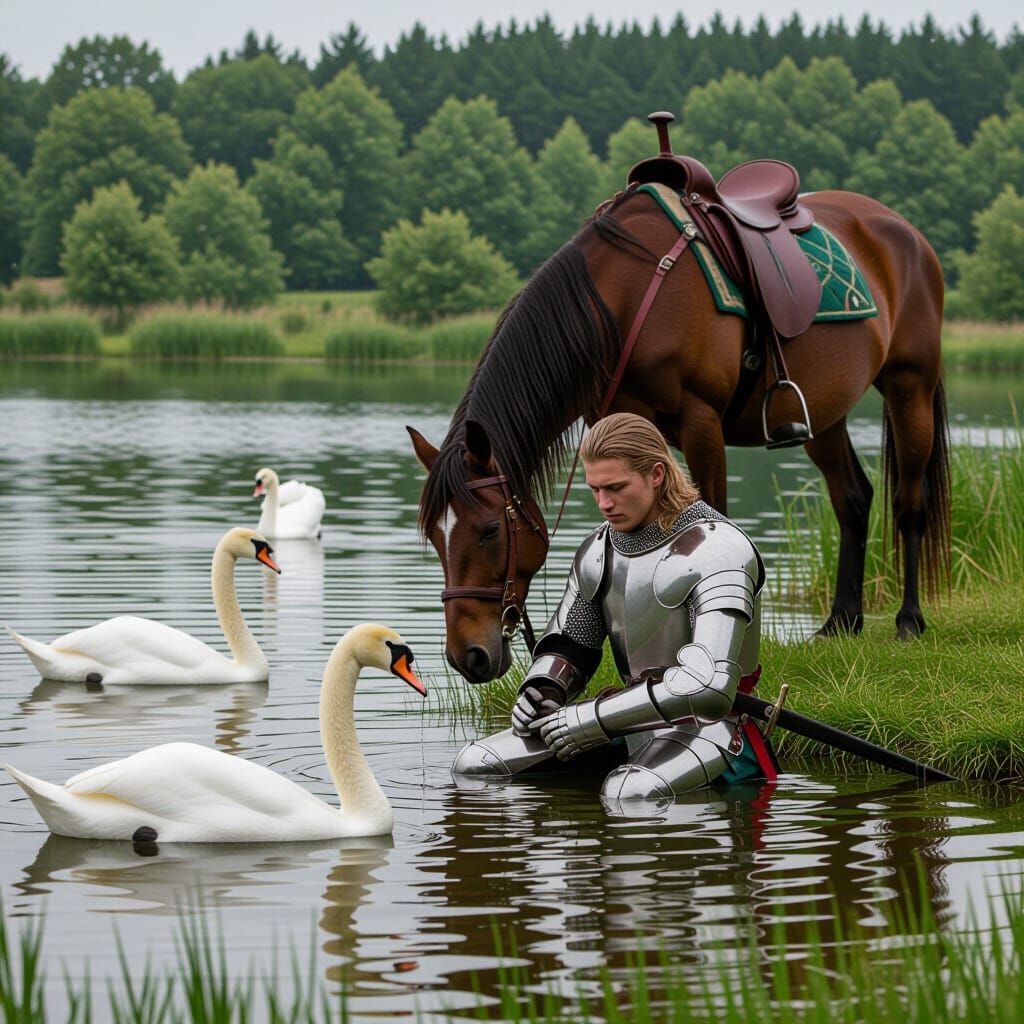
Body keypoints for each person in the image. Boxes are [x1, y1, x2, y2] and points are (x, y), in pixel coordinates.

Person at [451, 412, 778, 808]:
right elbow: (571, 643)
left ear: (656, 474)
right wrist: (543, 688)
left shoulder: (718, 551)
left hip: (710, 729)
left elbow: (707, 687)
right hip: (627, 720)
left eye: (616, 488)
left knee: (629, 793)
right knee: (475, 764)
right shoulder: (598, 549)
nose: (604, 503)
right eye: (595, 490)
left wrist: (591, 720)